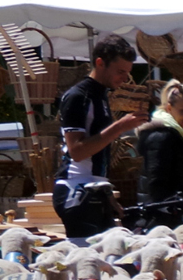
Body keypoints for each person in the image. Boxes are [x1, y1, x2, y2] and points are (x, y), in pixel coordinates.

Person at [53, 35, 145, 238]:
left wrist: (107, 194)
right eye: (120, 71)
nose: (125, 78)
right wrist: (120, 126)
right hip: (76, 189)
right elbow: (77, 151)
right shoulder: (78, 96)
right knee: (87, 262)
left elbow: (97, 151)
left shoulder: (101, 95)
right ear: (100, 63)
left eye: (128, 72)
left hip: (93, 188)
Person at [136, 80, 183, 208]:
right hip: (168, 215)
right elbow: (156, 185)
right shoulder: (161, 136)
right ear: (169, 108)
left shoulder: (180, 133)